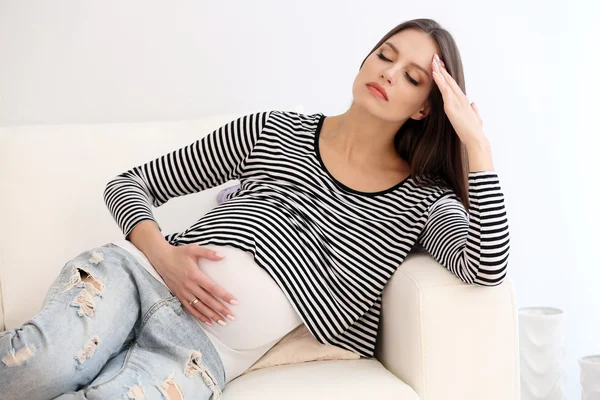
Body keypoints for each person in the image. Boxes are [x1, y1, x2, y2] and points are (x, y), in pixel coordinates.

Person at [0, 18, 510, 400]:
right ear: (364, 62)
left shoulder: (423, 202)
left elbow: (486, 268)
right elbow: (129, 184)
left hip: (197, 357)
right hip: (137, 281)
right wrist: (165, 258)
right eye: (385, 55)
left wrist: (477, 146)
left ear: (426, 106)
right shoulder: (272, 130)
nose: (390, 73)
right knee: (38, 367)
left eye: (413, 76)